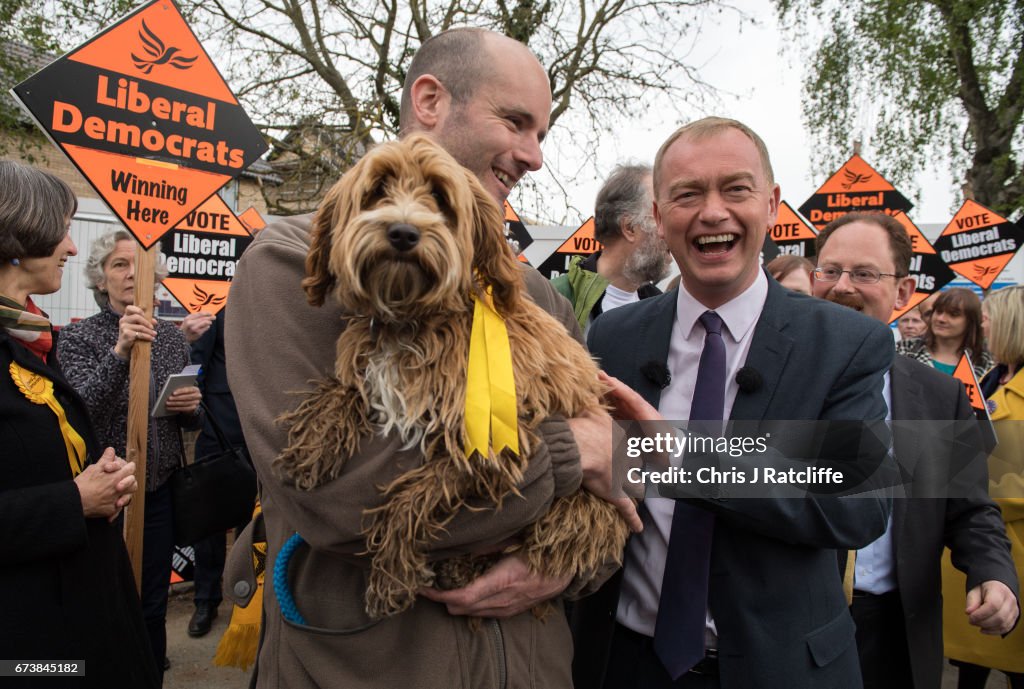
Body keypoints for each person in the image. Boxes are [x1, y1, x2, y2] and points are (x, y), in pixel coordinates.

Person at [223, 27, 638, 689]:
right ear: (429, 99)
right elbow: (338, 496)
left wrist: (562, 562)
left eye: (543, 136)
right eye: (515, 122)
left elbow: (621, 487)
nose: (532, 156)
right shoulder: (295, 260)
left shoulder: (530, 293)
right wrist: (567, 454)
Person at [571, 117, 897, 689]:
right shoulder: (613, 339)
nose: (712, 211)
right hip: (622, 662)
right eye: (688, 194)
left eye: (735, 189)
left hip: (783, 670)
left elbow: (857, 506)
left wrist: (682, 459)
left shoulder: (846, 344)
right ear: (658, 215)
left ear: (771, 204)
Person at [810, 210, 1018, 689]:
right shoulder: (766, 381)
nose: (842, 287)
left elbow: (970, 510)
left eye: (864, 273)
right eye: (830, 271)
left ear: (903, 293)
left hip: (896, 635)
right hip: (788, 632)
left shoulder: (938, 397)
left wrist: (993, 574)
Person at [0, 160, 158, 688]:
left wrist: (95, 471)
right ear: (20, 234)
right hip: (29, 652)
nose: (70, 247)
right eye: (62, 230)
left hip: (82, 610)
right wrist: (74, 500)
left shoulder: (29, 337)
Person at [57, 229, 203, 683]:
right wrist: (121, 352)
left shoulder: (174, 341)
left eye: (139, 265)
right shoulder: (79, 339)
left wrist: (191, 408)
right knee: (101, 608)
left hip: (156, 493)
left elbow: (188, 424)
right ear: (100, 278)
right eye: (119, 264)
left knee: (152, 607)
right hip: (102, 501)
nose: (131, 273)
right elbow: (82, 410)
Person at [942, 285, 1024, 689]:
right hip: (974, 547)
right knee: (967, 668)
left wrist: (964, 483)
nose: (984, 327)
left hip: (1013, 552)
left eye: (989, 319)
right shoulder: (989, 378)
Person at [551, 163, 670, 332]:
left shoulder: (663, 310)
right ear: (629, 228)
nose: (668, 231)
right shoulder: (556, 301)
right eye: (659, 219)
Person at [179, 309, 239, 638]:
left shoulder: (275, 307)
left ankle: (253, 598)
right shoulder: (216, 315)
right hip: (217, 438)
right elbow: (197, 367)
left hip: (261, 440)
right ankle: (206, 600)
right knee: (210, 528)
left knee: (258, 528)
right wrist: (201, 420)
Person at [897, 287, 993, 379]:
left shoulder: (985, 361)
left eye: (953, 314)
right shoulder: (904, 349)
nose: (941, 319)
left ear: (971, 320)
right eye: (938, 312)